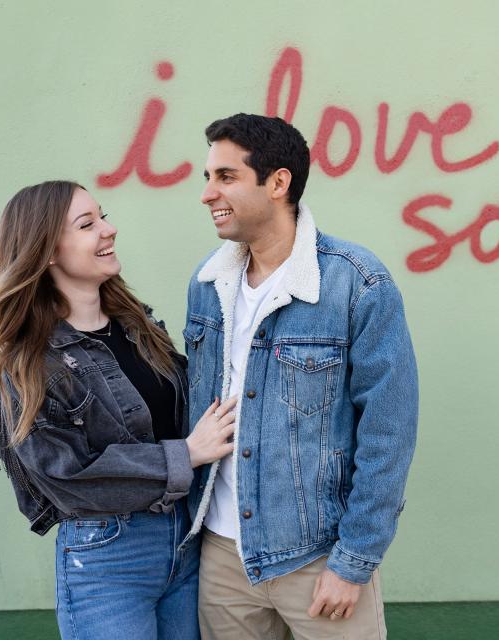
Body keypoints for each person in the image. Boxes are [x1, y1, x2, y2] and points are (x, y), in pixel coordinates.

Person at [185, 113, 418, 639]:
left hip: (317, 558)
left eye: (225, 176)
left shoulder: (357, 284)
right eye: (207, 177)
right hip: (222, 558)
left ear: (278, 183)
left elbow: (389, 433)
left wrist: (354, 560)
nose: (207, 193)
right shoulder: (208, 284)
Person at [0, 181, 237, 640]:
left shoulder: (138, 327)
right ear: (47, 251)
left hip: (187, 541)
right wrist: (186, 454)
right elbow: (65, 475)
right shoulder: (33, 362)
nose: (109, 229)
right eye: (87, 224)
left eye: (103, 215)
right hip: (107, 559)